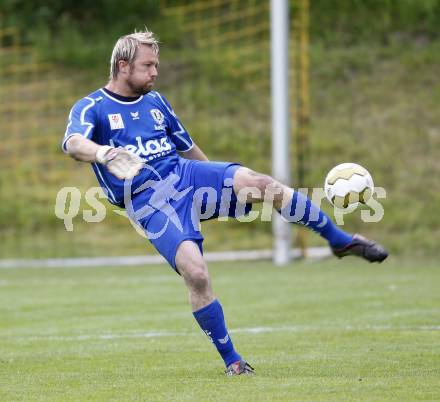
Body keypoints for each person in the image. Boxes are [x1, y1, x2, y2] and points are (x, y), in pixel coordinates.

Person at [62, 29, 388, 376]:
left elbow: (188, 149)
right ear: (123, 66)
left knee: (261, 183)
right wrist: (104, 152)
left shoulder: (156, 102)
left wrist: (220, 186)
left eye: (156, 64)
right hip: (148, 201)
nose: (155, 72)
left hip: (186, 175)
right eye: (148, 65)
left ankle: (341, 241)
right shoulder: (92, 107)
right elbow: (71, 142)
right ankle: (233, 362)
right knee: (196, 273)